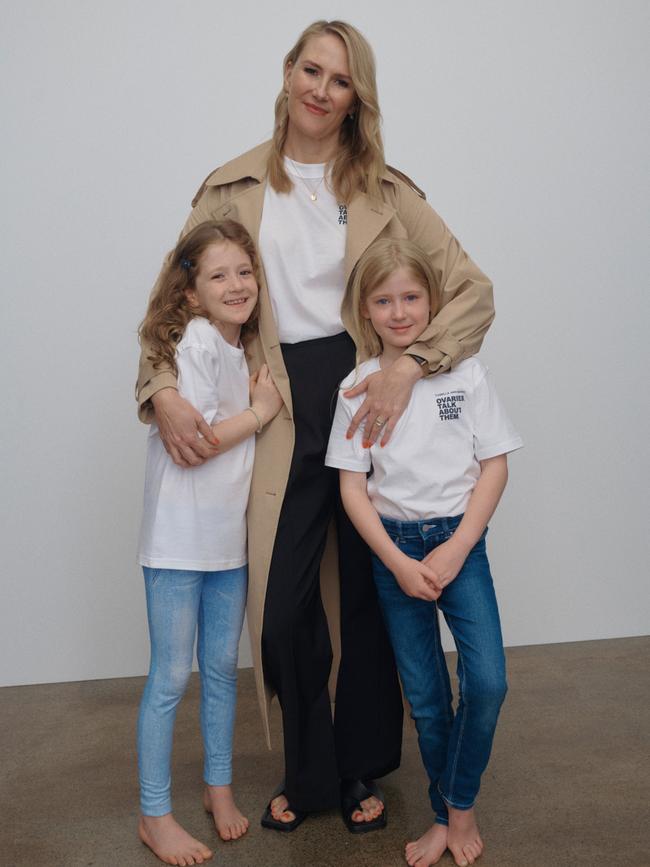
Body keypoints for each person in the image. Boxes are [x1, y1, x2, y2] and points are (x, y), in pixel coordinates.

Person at [136, 20, 495, 833]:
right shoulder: (228, 189)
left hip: (368, 396)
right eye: (310, 69)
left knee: (368, 595)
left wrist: (410, 365)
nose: (320, 90)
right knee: (286, 603)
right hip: (277, 400)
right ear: (288, 73)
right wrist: (161, 392)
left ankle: (361, 763)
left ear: (355, 100)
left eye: (339, 80)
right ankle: (307, 770)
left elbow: (473, 290)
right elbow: (165, 310)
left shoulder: (388, 192)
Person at [325, 237, 522, 866]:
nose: (399, 311)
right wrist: (399, 563)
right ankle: (448, 817)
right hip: (397, 553)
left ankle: (456, 806)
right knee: (428, 698)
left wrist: (458, 548)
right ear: (365, 311)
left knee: (486, 682)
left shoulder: (465, 375)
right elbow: (352, 489)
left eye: (411, 297)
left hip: (460, 544)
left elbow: (494, 467)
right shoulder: (356, 387)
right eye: (383, 300)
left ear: (433, 302)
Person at [136, 220, 283, 865]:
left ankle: (217, 788)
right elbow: (194, 442)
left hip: (227, 541)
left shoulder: (238, 349)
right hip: (178, 541)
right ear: (190, 293)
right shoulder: (195, 341)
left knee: (222, 668)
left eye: (244, 272)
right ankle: (154, 814)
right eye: (218, 275)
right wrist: (259, 414)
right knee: (171, 675)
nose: (236, 284)